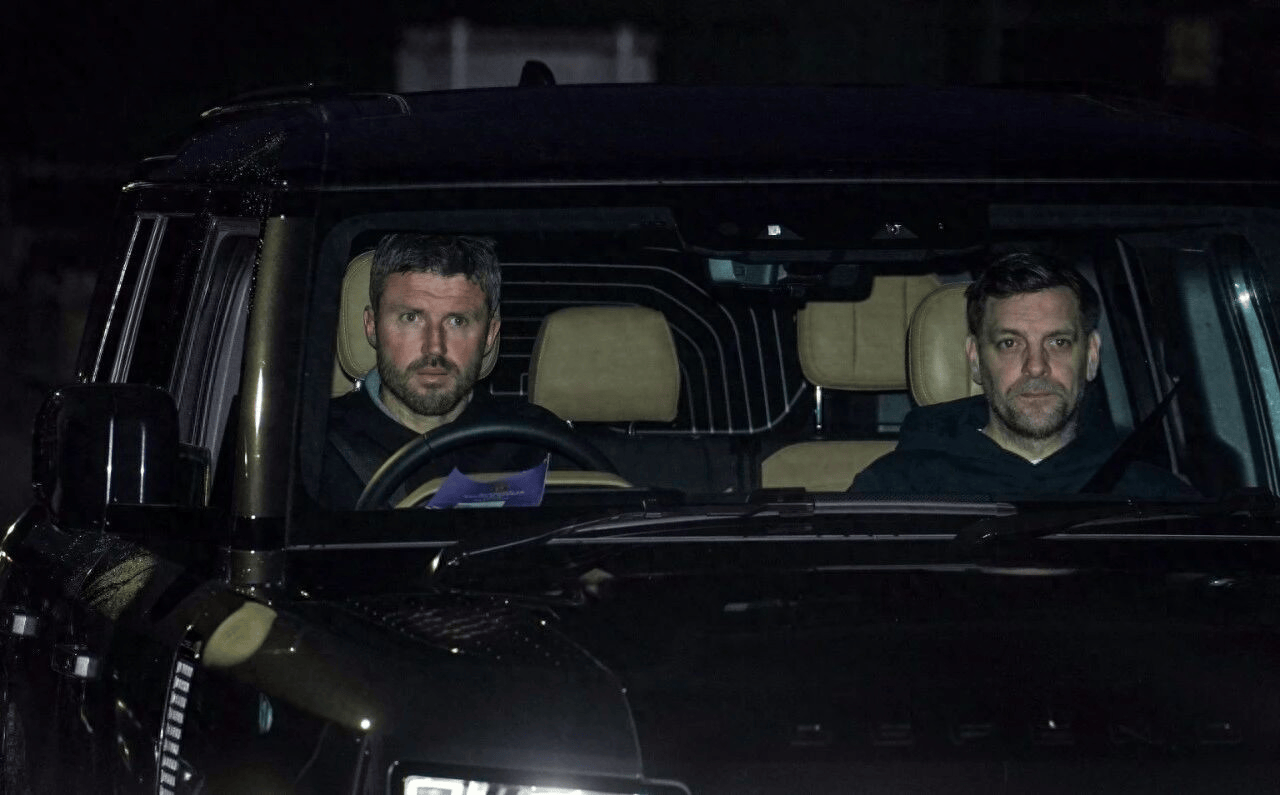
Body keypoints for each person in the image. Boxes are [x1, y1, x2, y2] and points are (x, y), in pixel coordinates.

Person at [850, 251, 1197, 498]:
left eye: (1058, 342)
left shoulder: (1155, 498)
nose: (1035, 366)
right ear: (975, 359)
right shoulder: (894, 492)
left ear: (1091, 356)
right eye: (1009, 343)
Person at [320, 234, 563, 507]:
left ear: (490, 334)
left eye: (457, 321)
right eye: (411, 318)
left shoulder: (537, 444)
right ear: (371, 326)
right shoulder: (317, 447)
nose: (434, 347)